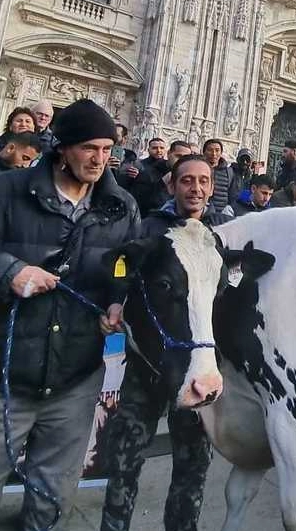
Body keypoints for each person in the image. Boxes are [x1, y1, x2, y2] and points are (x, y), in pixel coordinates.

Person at [0, 98, 140, 531]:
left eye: (107, 150)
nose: (100, 160)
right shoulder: (4, 192)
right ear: (62, 147)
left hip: (74, 384)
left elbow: (127, 271)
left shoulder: (121, 206)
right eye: (89, 149)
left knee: (52, 504)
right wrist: (9, 273)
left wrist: (118, 301)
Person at [99, 155, 223, 531]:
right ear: (171, 185)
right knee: (125, 459)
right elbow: (118, 271)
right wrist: (116, 300)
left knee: (193, 463)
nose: (196, 189)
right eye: (187, 180)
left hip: (195, 368)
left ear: (212, 189)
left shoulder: (214, 238)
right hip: (148, 368)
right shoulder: (149, 229)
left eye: (204, 181)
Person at [127, 140, 192, 217]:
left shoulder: (189, 176)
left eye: (186, 158)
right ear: (168, 154)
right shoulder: (147, 172)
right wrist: (162, 184)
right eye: (178, 156)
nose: (181, 161)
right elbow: (138, 202)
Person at [202, 138, 236, 213]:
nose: (214, 154)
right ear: (204, 152)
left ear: (221, 153)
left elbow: (232, 195)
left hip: (221, 213)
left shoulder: (229, 172)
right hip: (202, 212)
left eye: (217, 150)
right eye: (210, 150)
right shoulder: (199, 169)